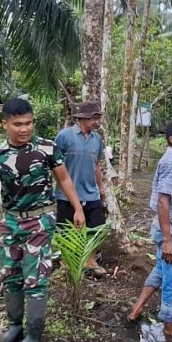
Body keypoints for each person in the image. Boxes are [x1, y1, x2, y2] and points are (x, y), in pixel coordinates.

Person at [0, 98, 84, 342]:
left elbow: (64, 179)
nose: (24, 129)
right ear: (5, 124)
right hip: (10, 221)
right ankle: (14, 326)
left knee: (35, 278)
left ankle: (33, 335)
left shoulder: (47, 148)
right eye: (18, 124)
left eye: (29, 123)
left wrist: (77, 208)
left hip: (40, 220)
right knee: (9, 274)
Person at [127, 119, 172, 339]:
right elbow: (163, 200)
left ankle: (136, 310)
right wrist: (168, 240)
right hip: (170, 231)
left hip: (168, 228)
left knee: (160, 270)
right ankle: (168, 325)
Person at [55, 100, 108, 277]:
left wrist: (101, 187)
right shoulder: (64, 136)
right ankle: (66, 262)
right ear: (83, 118)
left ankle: (90, 260)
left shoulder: (97, 139)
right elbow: (55, 165)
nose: (97, 122)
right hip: (66, 195)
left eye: (98, 118)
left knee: (96, 228)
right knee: (66, 229)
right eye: (94, 118)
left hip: (91, 193)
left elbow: (97, 166)